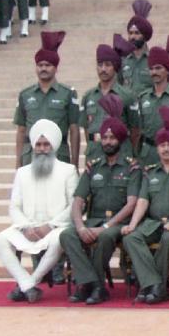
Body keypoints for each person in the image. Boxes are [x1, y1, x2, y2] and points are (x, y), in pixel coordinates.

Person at [0, 120, 80, 302]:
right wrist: (25, 227)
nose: (42, 149)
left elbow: (73, 205)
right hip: (29, 228)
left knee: (58, 239)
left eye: (46, 144)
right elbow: (14, 206)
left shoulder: (68, 170)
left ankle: (28, 283)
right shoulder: (22, 172)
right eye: (38, 144)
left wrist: (50, 226)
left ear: (54, 146)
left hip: (56, 227)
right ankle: (28, 285)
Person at [59, 116, 140, 305]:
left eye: (112, 138)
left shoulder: (132, 167)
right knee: (67, 235)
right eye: (104, 138)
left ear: (120, 140)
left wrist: (104, 227)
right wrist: (80, 226)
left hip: (119, 223)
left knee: (105, 236)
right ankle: (92, 283)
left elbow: (131, 205)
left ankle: (90, 286)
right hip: (93, 220)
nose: (107, 142)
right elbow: (78, 201)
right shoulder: (92, 166)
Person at [122, 109, 169, 304]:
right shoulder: (150, 172)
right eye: (162, 145)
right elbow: (142, 200)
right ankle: (156, 284)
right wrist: (133, 224)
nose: (166, 149)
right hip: (153, 223)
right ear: (156, 149)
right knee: (131, 238)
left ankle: (151, 286)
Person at [14, 32, 80, 166]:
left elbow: (74, 130)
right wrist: (18, 163)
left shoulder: (68, 93)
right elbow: (21, 130)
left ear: (56, 68)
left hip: (59, 155)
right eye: (40, 65)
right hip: (30, 157)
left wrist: (74, 163)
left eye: (48, 65)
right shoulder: (25, 94)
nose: (43, 68)